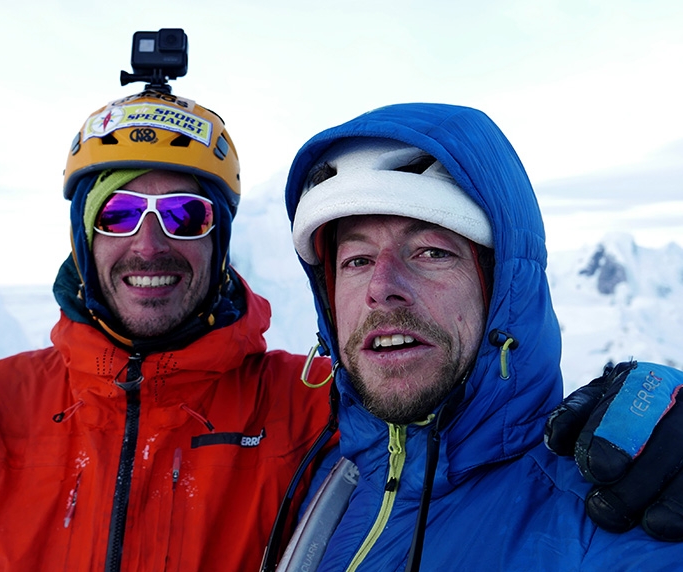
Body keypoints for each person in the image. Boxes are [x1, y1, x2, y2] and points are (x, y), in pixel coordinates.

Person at [0, 88, 680, 571]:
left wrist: (650, 432)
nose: (148, 240)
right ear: (80, 233)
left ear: (220, 238)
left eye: (184, 213)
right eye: (118, 210)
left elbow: (459, 437)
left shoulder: (311, 411)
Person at [277, 102, 683, 571]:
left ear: (502, 291)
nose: (381, 288)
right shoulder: (324, 480)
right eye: (356, 261)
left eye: (431, 252)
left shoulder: (610, 520)